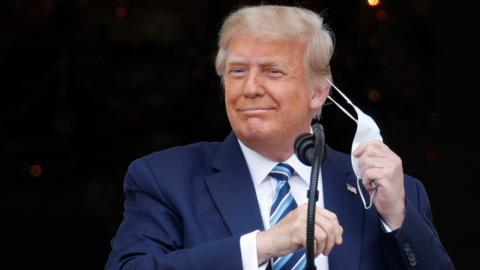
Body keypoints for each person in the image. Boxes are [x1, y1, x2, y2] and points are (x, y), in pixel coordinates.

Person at [105, 5, 454, 270]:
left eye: (272, 71)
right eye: (237, 71)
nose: (250, 88)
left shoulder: (380, 189)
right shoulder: (165, 178)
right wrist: (262, 245)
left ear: (318, 93)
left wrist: (396, 216)